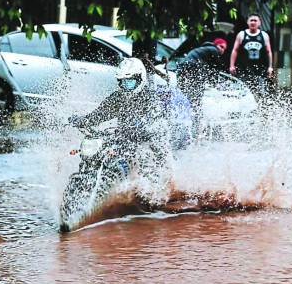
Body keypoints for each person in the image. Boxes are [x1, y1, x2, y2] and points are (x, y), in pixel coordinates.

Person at [69, 58, 172, 191]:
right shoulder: (118, 97)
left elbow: (155, 124)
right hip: (123, 139)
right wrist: (84, 120)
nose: (125, 85)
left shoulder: (151, 99)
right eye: (123, 82)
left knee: (145, 159)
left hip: (147, 143)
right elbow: (101, 113)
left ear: (140, 79)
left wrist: (142, 128)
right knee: (96, 152)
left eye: (129, 82)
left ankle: (150, 192)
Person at [176, 37, 228, 136]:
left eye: (224, 49)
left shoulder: (201, 51)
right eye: (221, 47)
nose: (222, 50)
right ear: (216, 45)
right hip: (193, 67)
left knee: (188, 98)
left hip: (182, 68)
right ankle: (197, 129)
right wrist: (216, 85)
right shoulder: (213, 50)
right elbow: (216, 69)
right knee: (197, 99)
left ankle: (190, 125)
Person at [229, 13, 274, 99]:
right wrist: (232, 65)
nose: (253, 22)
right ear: (247, 22)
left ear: (259, 23)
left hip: (260, 70)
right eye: (251, 20)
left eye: (255, 20)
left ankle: (259, 109)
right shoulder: (242, 35)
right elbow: (235, 50)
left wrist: (270, 67)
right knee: (243, 92)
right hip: (244, 69)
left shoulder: (264, 35)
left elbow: (269, 52)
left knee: (260, 93)